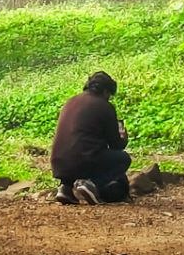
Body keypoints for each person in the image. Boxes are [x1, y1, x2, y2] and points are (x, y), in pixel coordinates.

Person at [50, 71, 131, 205]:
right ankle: (91, 184)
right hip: (84, 160)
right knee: (123, 159)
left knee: (80, 152)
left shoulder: (71, 101)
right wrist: (123, 136)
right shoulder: (105, 106)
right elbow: (116, 145)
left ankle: (65, 188)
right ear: (106, 91)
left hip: (59, 163)